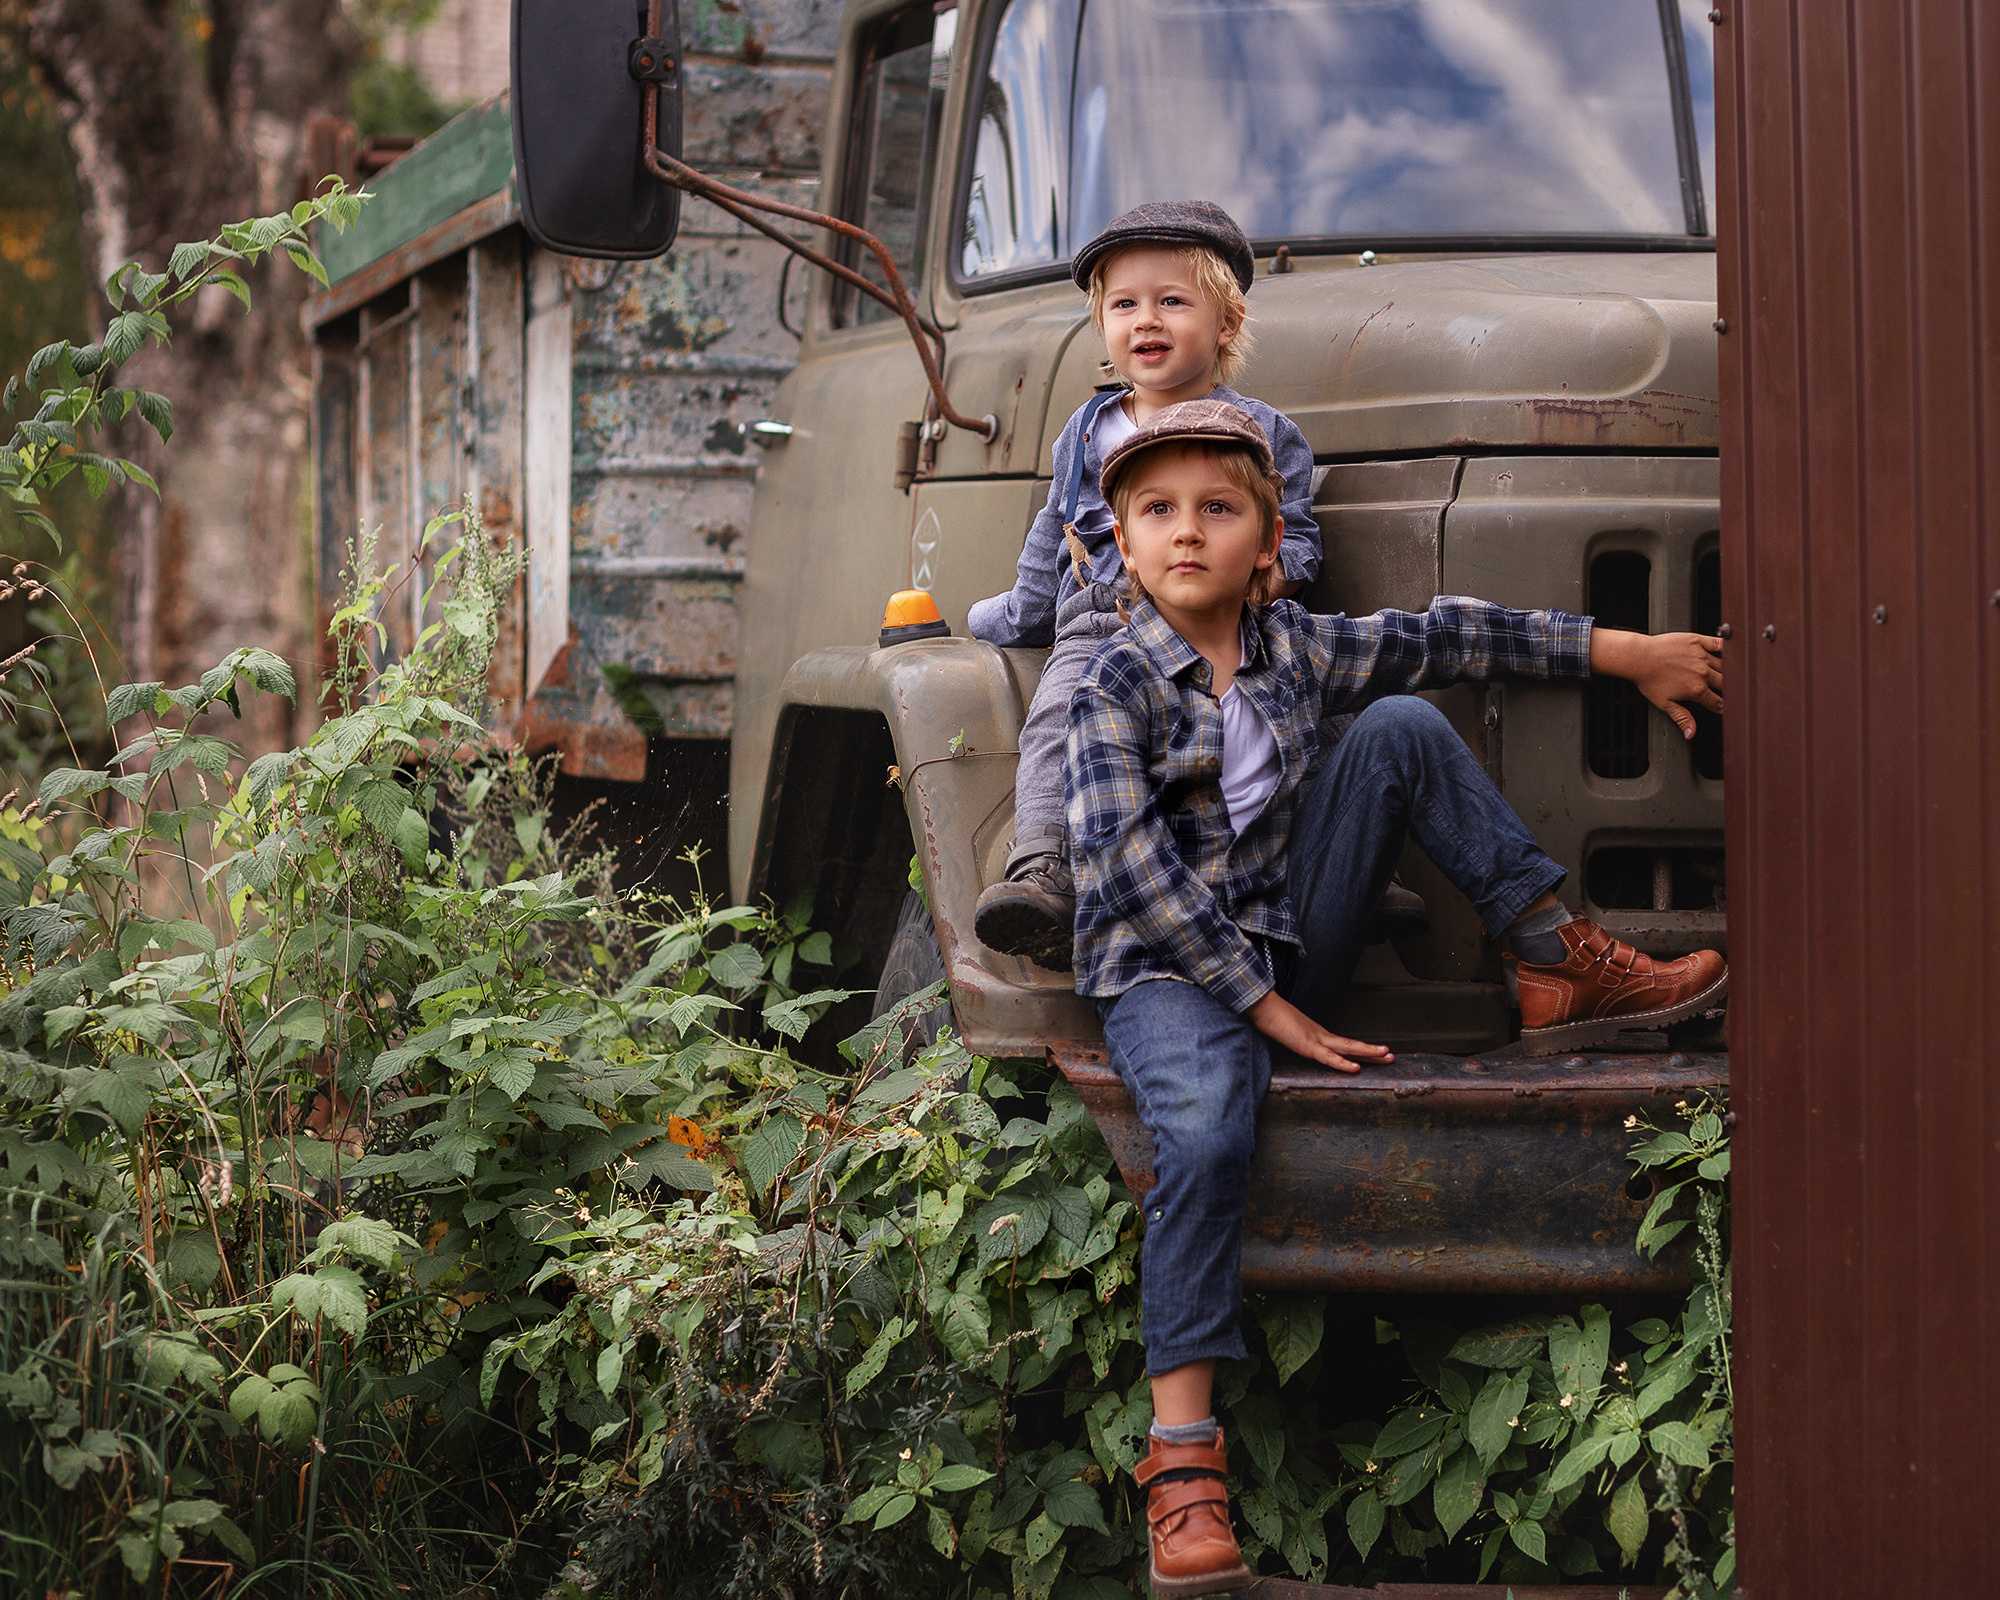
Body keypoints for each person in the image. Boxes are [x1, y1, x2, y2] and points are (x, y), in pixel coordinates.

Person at [1066, 400, 1728, 1597]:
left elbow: (1444, 635)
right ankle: (1182, 1464)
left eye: (1216, 508)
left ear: (1267, 542)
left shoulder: (1291, 648)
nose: (1185, 531)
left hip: (1284, 940)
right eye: (1155, 511)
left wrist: (1619, 652)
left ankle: (1553, 957)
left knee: (1401, 723)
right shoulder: (1111, 681)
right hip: (1169, 970)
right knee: (1204, 1133)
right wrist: (1263, 1009)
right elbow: (1125, 871)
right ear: (1121, 541)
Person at [968, 201, 1350, 968]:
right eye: (1124, 305)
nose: (1147, 319)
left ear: (1227, 323)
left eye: (1173, 301)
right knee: (1059, 716)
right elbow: (1054, 537)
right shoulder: (1085, 431)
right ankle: (1044, 868)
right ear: (1103, 325)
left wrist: (1268, 585)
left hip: (1224, 621)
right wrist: (1006, 617)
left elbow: (1299, 537)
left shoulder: (1268, 432)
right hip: (1104, 623)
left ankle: (1355, 872)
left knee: (1312, 709)